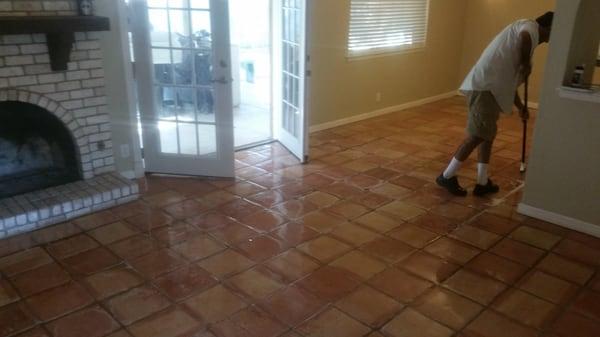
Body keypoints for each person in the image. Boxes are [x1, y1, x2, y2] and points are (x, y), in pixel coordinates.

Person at [436, 12, 554, 197]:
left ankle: (482, 182)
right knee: (476, 135)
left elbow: (509, 82)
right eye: (553, 33)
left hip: (490, 88)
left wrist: (521, 106)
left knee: (487, 135)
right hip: (484, 88)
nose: (550, 39)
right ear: (549, 27)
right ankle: (446, 176)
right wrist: (525, 63)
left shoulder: (525, 33)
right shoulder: (529, 29)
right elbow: (524, 38)